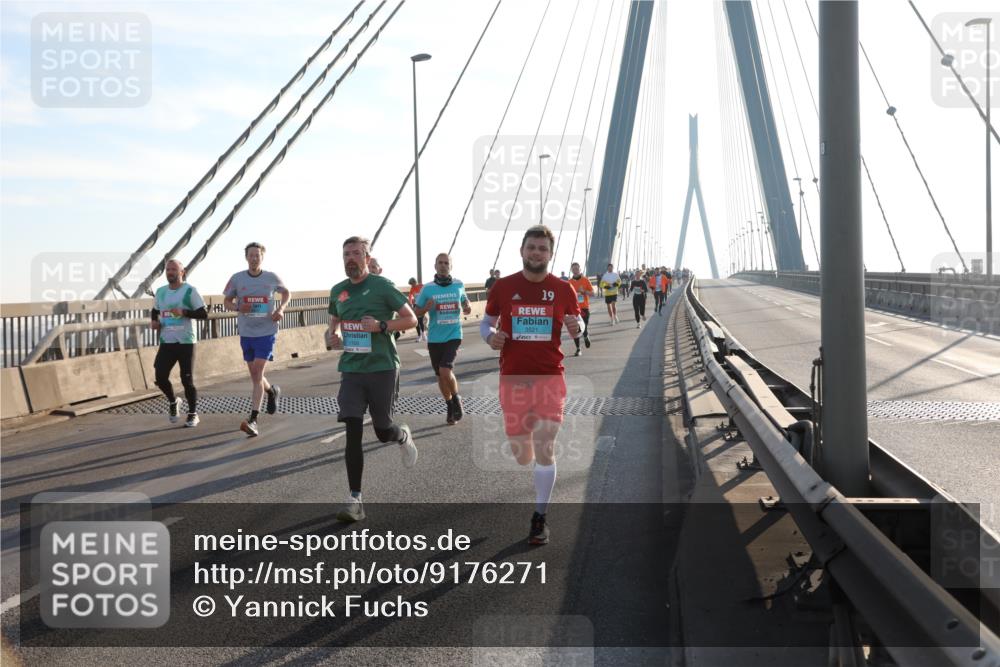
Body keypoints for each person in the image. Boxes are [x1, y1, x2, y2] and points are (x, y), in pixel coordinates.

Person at [481, 225, 583, 545]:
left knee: (545, 444)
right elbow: (486, 322)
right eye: (532, 247)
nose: (536, 253)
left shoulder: (563, 289)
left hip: (550, 376)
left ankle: (539, 517)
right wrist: (490, 337)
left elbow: (578, 324)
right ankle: (525, 455)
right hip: (512, 377)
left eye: (542, 249)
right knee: (522, 452)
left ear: (550, 255)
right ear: (522, 251)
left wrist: (575, 325)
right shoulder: (503, 287)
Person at [327, 236, 419, 523]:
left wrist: (381, 326)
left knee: (382, 430)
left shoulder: (382, 286)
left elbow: (411, 319)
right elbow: (333, 327)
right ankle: (355, 498)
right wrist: (332, 337)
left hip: (381, 367)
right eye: (346, 254)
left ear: (367, 258)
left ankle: (401, 435)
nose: (350, 258)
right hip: (352, 370)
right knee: (353, 427)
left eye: (356, 253)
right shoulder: (338, 291)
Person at [223, 242, 290, 437]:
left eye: (257, 255)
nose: (254, 258)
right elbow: (226, 301)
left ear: (262, 257)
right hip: (246, 332)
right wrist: (237, 307)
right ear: (246, 257)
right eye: (251, 255)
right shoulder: (237, 279)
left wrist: (281, 309)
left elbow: (286, 293)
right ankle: (271, 391)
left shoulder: (271, 277)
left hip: (267, 331)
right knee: (255, 376)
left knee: (258, 372)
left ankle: (253, 419)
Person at [413, 253, 472, 425]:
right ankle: (449, 406)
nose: (443, 265)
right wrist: (425, 308)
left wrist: (467, 307)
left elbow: (466, 304)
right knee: (440, 376)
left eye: (447, 263)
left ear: (451, 266)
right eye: (440, 262)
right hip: (435, 337)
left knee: (446, 370)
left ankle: (456, 399)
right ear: (435, 265)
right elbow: (415, 312)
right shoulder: (428, 288)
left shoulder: (458, 284)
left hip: (454, 334)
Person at [151, 259, 207, 428]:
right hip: (167, 340)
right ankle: (173, 401)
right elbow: (155, 310)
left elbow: (203, 313)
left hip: (186, 341)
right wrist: (154, 321)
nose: (170, 272)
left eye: (174, 269)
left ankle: (192, 413)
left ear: (182, 272)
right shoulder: (160, 292)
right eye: (168, 269)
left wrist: (184, 312)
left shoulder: (190, 291)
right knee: (160, 377)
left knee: (186, 379)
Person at [567, 262, 594, 356]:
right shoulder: (569, 282)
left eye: (576, 268)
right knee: (576, 329)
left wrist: (584, 292)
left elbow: (592, 293)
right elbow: (565, 296)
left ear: (580, 269)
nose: (575, 270)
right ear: (571, 270)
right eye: (573, 268)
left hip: (584, 308)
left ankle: (586, 335)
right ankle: (578, 349)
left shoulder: (585, 280)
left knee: (584, 327)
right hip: (573, 309)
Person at [407, 278, 427, 342]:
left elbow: (427, 294)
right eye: (411, 285)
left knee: (421, 320)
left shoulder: (422, 286)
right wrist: (410, 304)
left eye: (412, 284)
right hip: (416, 306)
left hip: (422, 305)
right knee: (417, 321)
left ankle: (423, 335)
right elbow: (410, 297)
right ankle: (419, 335)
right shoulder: (412, 289)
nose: (412, 286)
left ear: (415, 282)